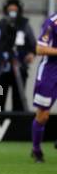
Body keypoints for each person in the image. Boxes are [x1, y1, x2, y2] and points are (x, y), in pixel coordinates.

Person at [0, 0, 36, 111]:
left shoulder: (24, 25)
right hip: (2, 65)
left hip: (19, 65)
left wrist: (31, 54)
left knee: (18, 98)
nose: (12, 12)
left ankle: (18, 123)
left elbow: (33, 44)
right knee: (0, 97)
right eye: (10, 10)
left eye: (15, 10)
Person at [31, 13, 57, 163]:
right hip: (50, 72)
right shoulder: (51, 23)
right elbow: (40, 49)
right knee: (43, 115)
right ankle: (36, 149)